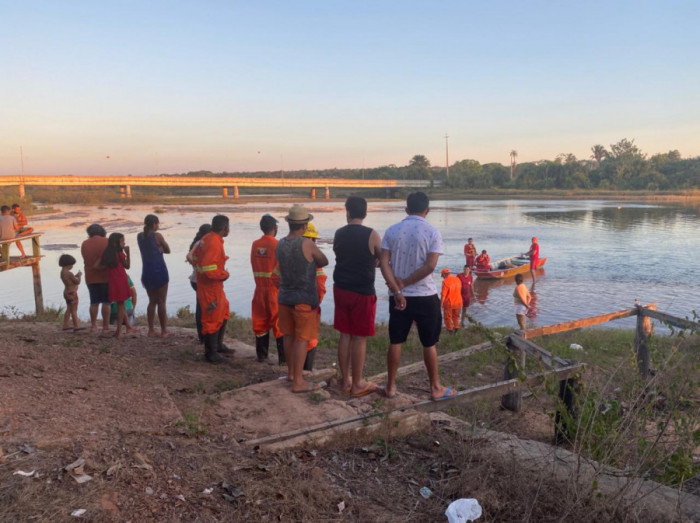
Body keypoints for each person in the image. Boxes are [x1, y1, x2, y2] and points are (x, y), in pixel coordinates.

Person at [379, 192, 455, 401]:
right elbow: (430, 266)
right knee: (429, 343)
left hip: (398, 297)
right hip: (425, 296)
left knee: (396, 340)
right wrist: (404, 283)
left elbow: (383, 262)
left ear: (406, 209)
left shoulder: (392, 230)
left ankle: (391, 386)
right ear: (427, 210)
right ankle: (435, 388)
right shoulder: (432, 232)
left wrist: (397, 288)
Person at [276, 204, 328, 393]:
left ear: (289, 223)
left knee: (288, 335)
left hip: (284, 297)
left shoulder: (280, 243)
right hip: (303, 299)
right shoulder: (307, 244)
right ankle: (298, 381)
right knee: (302, 339)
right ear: (305, 225)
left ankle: (291, 374)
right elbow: (324, 260)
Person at [333, 196, 382, 398]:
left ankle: (345, 382)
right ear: (365, 213)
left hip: (341, 288)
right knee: (359, 338)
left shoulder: (338, 233)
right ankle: (358, 384)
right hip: (362, 291)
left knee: (345, 335)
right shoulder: (372, 235)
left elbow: (341, 255)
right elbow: (381, 258)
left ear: (347, 212)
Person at [190, 215, 232, 363]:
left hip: (213, 286)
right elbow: (209, 270)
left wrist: (201, 269)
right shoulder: (213, 242)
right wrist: (224, 274)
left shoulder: (207, 238)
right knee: (212, 318)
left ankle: (218, 345)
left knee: (224, 311)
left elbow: (194, 257)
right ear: (224, 227)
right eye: (228, 227)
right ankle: (211, 353)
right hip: (210, 287)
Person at [250, 213, 283, 364]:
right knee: (280, 324)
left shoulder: (255, 244)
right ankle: (284, 359)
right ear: (274, 228)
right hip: (274, 290)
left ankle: (262, 356)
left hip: (259, 289)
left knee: (260, 322)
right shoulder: (278, 245)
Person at [137, 214, 170, 338]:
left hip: (146, 272)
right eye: (158, 223)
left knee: (152, 301)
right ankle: (163, 331)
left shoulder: (139, 236)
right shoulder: (158, 236)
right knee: (162, 302)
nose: (159, 226)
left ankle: (151, 330)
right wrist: (161, 247)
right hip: (159, 271)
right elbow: (168, 250)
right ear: (154, 224)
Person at [99, 233, 136, 339]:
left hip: (112, 280)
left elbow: (102, 265)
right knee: (121, 305)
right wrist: (128, 253)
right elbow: (127, 266)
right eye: (122, 241)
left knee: (120, 304)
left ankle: (125, 328)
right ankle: (119, 331)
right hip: (121, 280)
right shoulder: (119, 253)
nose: (124, 243)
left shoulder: (107, 253)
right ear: (116, 242)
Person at [302, 222, 327, 373]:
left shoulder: (289, 254)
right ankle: (307, 372)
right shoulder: (315, 262)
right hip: (309, 305)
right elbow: (320, 288)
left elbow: (277, 279)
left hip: (290, 303)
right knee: (310, 340)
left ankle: (294, 373)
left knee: (293, 337)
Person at [80, 224, 111, 333]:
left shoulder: (85, 243)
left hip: (90, 275)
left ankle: (93, 325)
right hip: (106, 275)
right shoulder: (107, 241)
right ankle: (106, 325)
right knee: (106, 302)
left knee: (94, 302)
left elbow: (85, 259)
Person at [188, 224, 212, 344]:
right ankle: (204, 336)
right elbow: (190, 257)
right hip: (199, 280)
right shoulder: (201, 244)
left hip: (195, 279)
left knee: (200, 307)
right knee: (203, 308)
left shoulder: (196, 243)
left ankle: (202, 336)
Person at [59, 254, 85, 332]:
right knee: (74, 310)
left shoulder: (63, 272)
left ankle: (65, 325)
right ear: (69, 264)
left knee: (69, 309)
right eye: (72, 265)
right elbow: (77, 282)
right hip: (72, 294)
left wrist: (75, 275)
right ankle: (76, 325)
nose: (72, 266)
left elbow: (70, 280)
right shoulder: (69, 273)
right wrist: (79, 276)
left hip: (66, 292)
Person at [440, 268, 463, 334]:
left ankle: (450, 331)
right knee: (456, 317)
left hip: (449, 303)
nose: (442, 278)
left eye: (442, 276)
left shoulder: (445, 281)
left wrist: (441, 304)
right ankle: (456, 329)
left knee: (447, 318)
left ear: (444, 275)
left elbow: (443, 295)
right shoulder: (457, 279)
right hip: (458, 302)